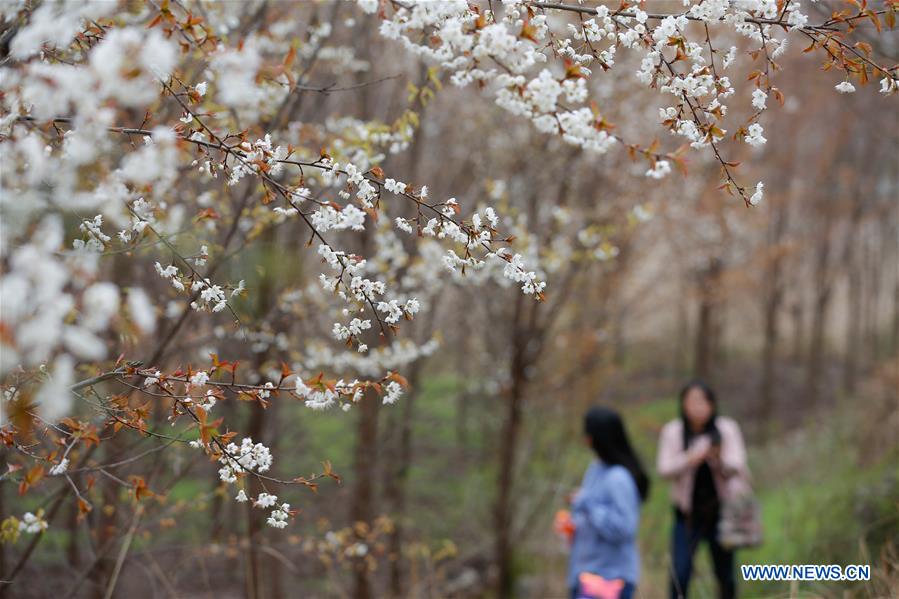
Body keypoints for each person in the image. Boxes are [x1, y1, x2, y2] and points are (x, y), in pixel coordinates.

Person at [657, 380, 749, 599]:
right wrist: (690, 458)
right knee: (680, 572)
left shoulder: (727, 429)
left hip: (723, 512)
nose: (698, 408)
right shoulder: (674, 431)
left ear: (712, 405)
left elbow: (738, 465)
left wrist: (717, 457)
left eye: (703, 402)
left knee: (725, 574)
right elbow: (664, 469)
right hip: (687, 514)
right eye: (692, 402)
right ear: (683, 405)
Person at [567, 407, 650, 599]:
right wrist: (572, 526)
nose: (585, 439)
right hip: (586, 574)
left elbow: (624, 527)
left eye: (588, 434)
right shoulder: (595, 469)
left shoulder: (618, 478)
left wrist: (587, 504)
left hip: (610, 579)